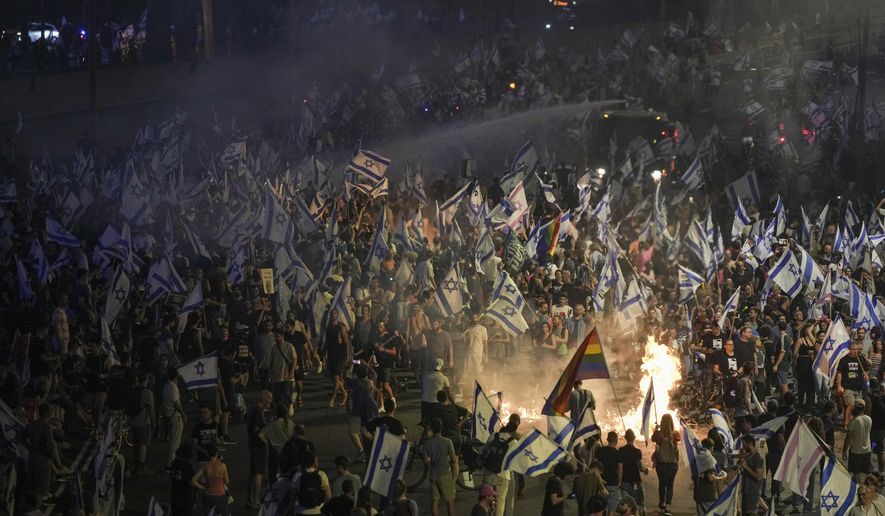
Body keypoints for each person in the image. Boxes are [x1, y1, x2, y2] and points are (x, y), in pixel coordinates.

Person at [484, 413, 520, 516]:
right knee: (500, 502)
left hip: (489, 471)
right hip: (503, 475)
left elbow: (486, 449)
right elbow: (515, 459)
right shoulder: (513, 442)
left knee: (486, 500)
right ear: (513, 431)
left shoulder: (494, 436)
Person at [423, 417, 458, 516]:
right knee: (450, 502)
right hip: (445, 473)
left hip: (433, 474)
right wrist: (454, 476)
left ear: (432, 429)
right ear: (441, 428)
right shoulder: (447, 442)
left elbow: (426, 461)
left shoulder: (427, 443)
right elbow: (453, 459)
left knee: (435, 501)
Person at [245, 390, 272, 510]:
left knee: (252, 474)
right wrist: (267, 442)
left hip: (252, 445)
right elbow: (257, 431)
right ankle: (255, 501)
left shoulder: (252, 409)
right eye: (269, 398)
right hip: (259, 447)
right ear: (264, 398)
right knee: (258, 474)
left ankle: (250, 499)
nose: (271, 400)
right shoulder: (258, 412)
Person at [836, 342, 872, 429]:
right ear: (849, 349)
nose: (856, 351)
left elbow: (865, 370)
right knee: (851, 404)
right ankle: (846, 423)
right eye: (854, 349)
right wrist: (839, 385)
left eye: (857, 349)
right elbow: (839, 373)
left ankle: (855, 424)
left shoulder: (860, 359)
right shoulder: (844, 360)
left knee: (858, 407)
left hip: (858, 388)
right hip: (847, 388)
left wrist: (866, 375)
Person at [190, 443, 230, 516]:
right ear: (217, 453)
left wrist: (203, 487)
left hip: (208, 495)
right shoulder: (222, 466)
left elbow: (193, 480)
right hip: (220, 495)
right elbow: (227, 481)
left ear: (208, 454)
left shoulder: (205, 466)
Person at [651, 414, 679, 514]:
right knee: (670, 485)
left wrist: (656, 429)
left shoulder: (658, 434)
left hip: (661, 463)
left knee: (662, 483)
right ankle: (668, 506)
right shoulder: (675, 434)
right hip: (672, 463)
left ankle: (662, 502)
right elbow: (677, 442)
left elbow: (653, 439)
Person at [259, 404, 295, 478]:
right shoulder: (290, 423)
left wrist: (268, 442)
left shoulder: (272, 424)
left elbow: (261, 435)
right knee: (286, 474)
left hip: (274, 451)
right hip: (286, 451)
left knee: (272, 473)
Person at [162, 366, 187, 470]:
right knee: (175, 442)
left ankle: (171, 462)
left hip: (168, 415)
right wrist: (183, 414)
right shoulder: (173, 387)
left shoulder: (166, 386)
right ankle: (170, 465)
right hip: (175, 416)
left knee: (173, 440)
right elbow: (176, 403)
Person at [325, 308, 351, 408]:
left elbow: (346, 342)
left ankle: (332, 399)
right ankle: (345, 394)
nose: (333, 315)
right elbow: (327, 343)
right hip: (332, 356)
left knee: (336, 379)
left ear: (337, 314)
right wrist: (325, 356)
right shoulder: (328, 328)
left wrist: (348, 357)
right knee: (334, 379)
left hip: (340, 356)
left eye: (335, 313)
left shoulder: (341, 327)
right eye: (332, 314)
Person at [619, 429, 648, 513]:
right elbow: (639, 467)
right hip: (636, 481)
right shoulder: (637, 451)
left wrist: (619, 482)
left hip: (625, 482)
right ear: (634, 438)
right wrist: (645, 470)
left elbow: (620, 467)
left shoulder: (621, 450)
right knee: (640, 503)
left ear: (625, 438)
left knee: (626, 506)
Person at [294, 450, 331, 515]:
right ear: (314, 462)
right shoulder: (321, 474)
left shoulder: (297, 475)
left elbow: (293, 496)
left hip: (301, 511)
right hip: (318, 511)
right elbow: (328, 496)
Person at [845, 399, 873, 482]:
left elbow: (848, 438)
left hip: (856, 452)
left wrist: (844, 450)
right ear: (863, 408)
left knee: (855, 473)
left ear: (855, 408)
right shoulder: (869, 419)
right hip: (867, 450)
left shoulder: (853, 422)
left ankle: (858, 490)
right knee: (865, 472)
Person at [596, 431, 622, 514]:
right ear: (616, 440)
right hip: (613, 483)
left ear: (607, 439)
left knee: (602, 508)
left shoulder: (600, 451)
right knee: (612, 509)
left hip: (601, 483)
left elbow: (595, 466)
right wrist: (620, 483)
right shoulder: (618, 453)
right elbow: (620, 470)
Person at [738, 435, 764, 516]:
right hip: (746, 492)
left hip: (752, 493)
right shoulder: (748, 456)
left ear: (750, 444)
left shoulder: (757, 457)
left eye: (744, 444)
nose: (743, 446)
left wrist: (746, 467)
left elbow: (758, 476)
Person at [421, 358, 452, 422]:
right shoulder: (444, 378)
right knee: (437, 423)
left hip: (425, 403)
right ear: (442, 367)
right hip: (437, 404)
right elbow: (449, 394)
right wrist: (454, 405)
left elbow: (423, 390)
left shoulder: (425, 376)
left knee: (425, 423)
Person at [169, 445, 195, 516]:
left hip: (174, 491)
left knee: (175, 512)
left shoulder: (173, 463)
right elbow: (191, 481)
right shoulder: (187, 466)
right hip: (185, 494)